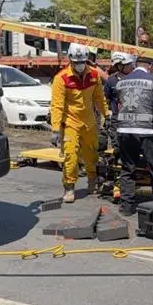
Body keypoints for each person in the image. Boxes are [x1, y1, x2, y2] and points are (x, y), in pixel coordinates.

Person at [111, 51, 153, 216]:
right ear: (151, 67)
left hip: (124, 131)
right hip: (146, 132)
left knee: (127, 169)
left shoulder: (122, 81)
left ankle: (127, 207)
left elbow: (117, 106)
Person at [50, 43, 108, 203]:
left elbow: (99, 98)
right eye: (76, 62)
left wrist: (107, 114)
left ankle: (92, 180)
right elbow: (57, 105)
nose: (80, 65)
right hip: (70, 123)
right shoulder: (61, 78)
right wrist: (55, 129)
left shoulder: (94, 75)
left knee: (92, 155)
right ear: (70, 60)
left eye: (82, 61)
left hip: (89, 123)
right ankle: (69, 187)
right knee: (71, 156)